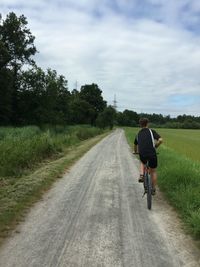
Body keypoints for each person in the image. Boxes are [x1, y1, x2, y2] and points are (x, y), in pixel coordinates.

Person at [134, 118, 163, 194]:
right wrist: (156, 146)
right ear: (148, 124)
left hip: (142, 154)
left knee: (142, 162)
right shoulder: (151, 131)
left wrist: (136, 151)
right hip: (152, 153)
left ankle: (141, 175)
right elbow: (160, 140)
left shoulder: (138, 134)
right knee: (153, 171)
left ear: (140, 125)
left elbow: (135, 144)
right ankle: (153, 189)